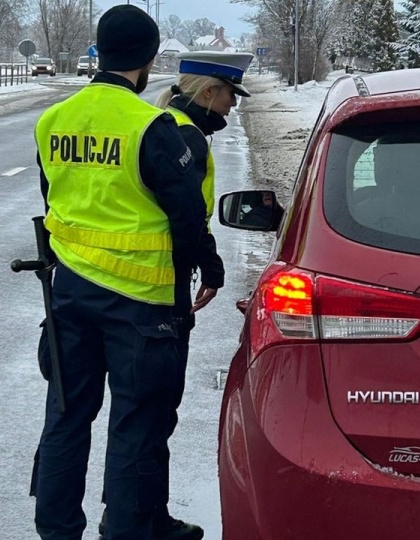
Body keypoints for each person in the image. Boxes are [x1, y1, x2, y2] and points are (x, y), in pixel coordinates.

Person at [29, 5, 208, 540]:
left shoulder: (52, 120)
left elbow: (54, 200)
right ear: (150, 58)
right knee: (136, 424)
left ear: (99, 51)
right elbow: (186, 218)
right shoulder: (150, 124)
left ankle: (57, 530)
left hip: (69, 295)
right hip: (141, 305)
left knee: (66, 416)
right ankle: (129, 532)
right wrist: (204, 271)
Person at [96, 49, 255, 540]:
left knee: (142, 412)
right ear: (209, 92)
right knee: (151, 411)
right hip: (158, 288)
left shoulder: (171, 123)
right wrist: (210, 267)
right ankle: (134, 523)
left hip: (130, 284)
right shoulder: (185, 136)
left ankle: (137, 516)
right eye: (230, 95)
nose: (232, 106)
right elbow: (184, 215)